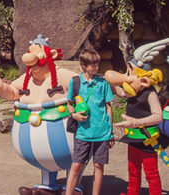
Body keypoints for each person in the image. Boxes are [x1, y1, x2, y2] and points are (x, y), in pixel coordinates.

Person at [0, 34, 84, 195]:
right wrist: (0, 87)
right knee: (46, 164)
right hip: (33, 139)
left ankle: (73, 187)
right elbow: (13, 92)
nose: (31, 58)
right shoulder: (27, 79)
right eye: (30, 52)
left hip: (67, 134)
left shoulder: (62, 75)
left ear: (49, 55)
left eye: (36, 53)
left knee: (74, 160)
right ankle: (47, 186)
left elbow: (82, 87)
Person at [104, 38, 168, 195]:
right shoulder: (131, 91)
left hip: (148, 140)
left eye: (129, 73)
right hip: (133, 139)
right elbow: (118, 90)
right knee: (133, 171)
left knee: (151, 173)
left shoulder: (150, 94)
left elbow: (158, 116)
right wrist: (106, 81)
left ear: (143, 79)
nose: (127, 77)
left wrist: (136, 122)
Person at [65, 48, 114, 195]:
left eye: (97, 64)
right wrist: (74, 115)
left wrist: (111, 132)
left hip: (103, 132)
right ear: (83, 65)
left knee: (99, 166)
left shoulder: (103, 83)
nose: (96, 67)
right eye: (93, 65)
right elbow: (69, 103)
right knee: (77, 165)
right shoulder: (75, 82)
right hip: (83, 132)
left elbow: (108, 107)